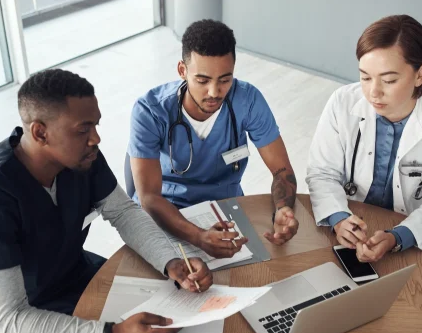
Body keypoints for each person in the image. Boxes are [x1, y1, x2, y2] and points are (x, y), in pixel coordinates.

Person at [0, 69, 213, 333]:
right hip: (23, 324)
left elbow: (123, 212)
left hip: (76, 279)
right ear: (40, 132)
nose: (96, 139)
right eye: (83, 129)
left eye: (95, 126)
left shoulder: (82, 157)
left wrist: (170, 260)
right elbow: (12, 318)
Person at [128, 19, 299, 258]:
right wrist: (198, 236)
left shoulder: (247, 100)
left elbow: (282, 171)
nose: (214, 92)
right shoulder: (150, 110)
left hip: (225, 209)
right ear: (182, 71)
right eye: (202, 80)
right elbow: (148, 197)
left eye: (224, 80)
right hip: (165, 212)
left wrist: (283, 209)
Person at [306, 15, 422, 263]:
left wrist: (397, 237)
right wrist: (339, 218)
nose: (373, 92)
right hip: (346, 224)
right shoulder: (342, 102)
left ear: (420, 74)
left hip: (409, 235)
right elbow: (322, 173)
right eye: (365, 77)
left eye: (389, 80)